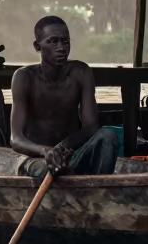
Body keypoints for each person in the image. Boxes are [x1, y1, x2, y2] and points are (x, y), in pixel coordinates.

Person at [10, 16, 119, 176]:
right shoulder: (24, 77)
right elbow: (16, 139)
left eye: (65, 41)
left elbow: (91, 127)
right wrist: (46, 151)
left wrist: (63, 147)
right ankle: (71, 178)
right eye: (53, 41)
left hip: (71, 154)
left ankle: (99, 190)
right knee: (49, 170)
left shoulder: (81, 72)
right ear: (37, 46)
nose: (61, 48)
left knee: (108, 137)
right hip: (36, 158)